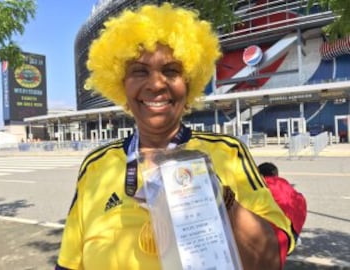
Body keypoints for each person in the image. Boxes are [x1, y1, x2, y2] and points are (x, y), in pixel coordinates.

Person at [56, 3, 296, 270]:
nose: (157, 84)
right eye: (139, 71)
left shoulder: (228, 152)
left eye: (171, 70)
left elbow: (271, 259)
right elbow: (68, 264)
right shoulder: (95, 167)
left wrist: (219, 197)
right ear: (121, 84)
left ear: (189, 83)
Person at [258, 162, 307, 241]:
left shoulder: (261, 185)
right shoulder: (284, 183)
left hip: (273, 237)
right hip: (292, 233)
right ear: (276, 174)